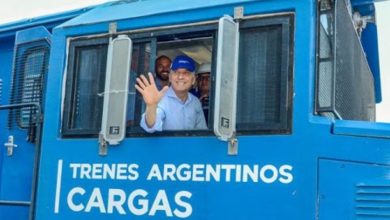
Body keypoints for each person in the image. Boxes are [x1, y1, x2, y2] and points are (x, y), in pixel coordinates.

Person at [135, 55, 207, 132]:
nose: (180, 77)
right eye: (176, 72)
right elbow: (150, 126)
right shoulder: (160, 99)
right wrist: (152, 106)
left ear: (193, 79)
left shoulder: (195, 101)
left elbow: (202, 131)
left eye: (186, 73)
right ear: (170, 77)